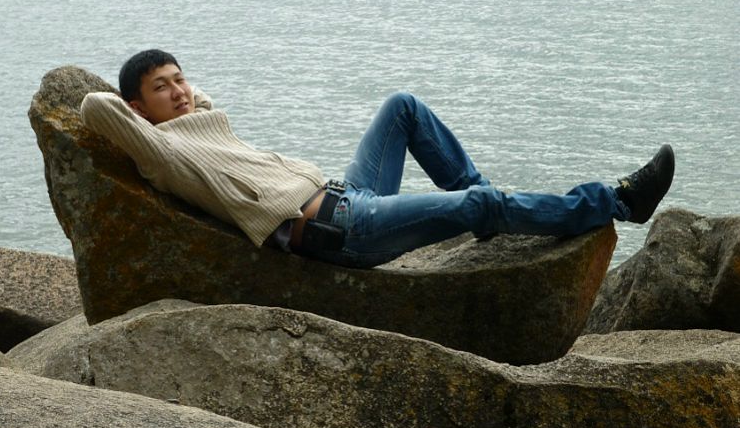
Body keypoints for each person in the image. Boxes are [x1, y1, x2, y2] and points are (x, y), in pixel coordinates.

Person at [80, 49, 675, 268]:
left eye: (180, 78)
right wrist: (140, 111)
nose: (180, 92)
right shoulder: (164, 153)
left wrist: (178, 96)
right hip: (341, 231)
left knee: (402, 106)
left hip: (349, 196)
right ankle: (618, 201)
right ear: (138, 109)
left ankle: (486, 210)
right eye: (161, 87)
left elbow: (199, 101)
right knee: (479, 203)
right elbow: (95, 106)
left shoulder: (203, 127)